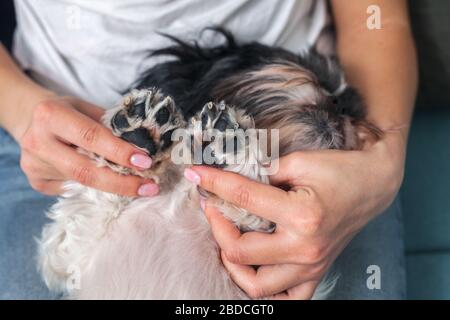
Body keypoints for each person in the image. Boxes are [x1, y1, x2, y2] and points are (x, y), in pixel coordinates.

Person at [0, 0, 417, 299]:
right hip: (56, 123)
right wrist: (21, 110)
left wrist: (384, 159)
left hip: (284, 135)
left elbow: (377, 16)